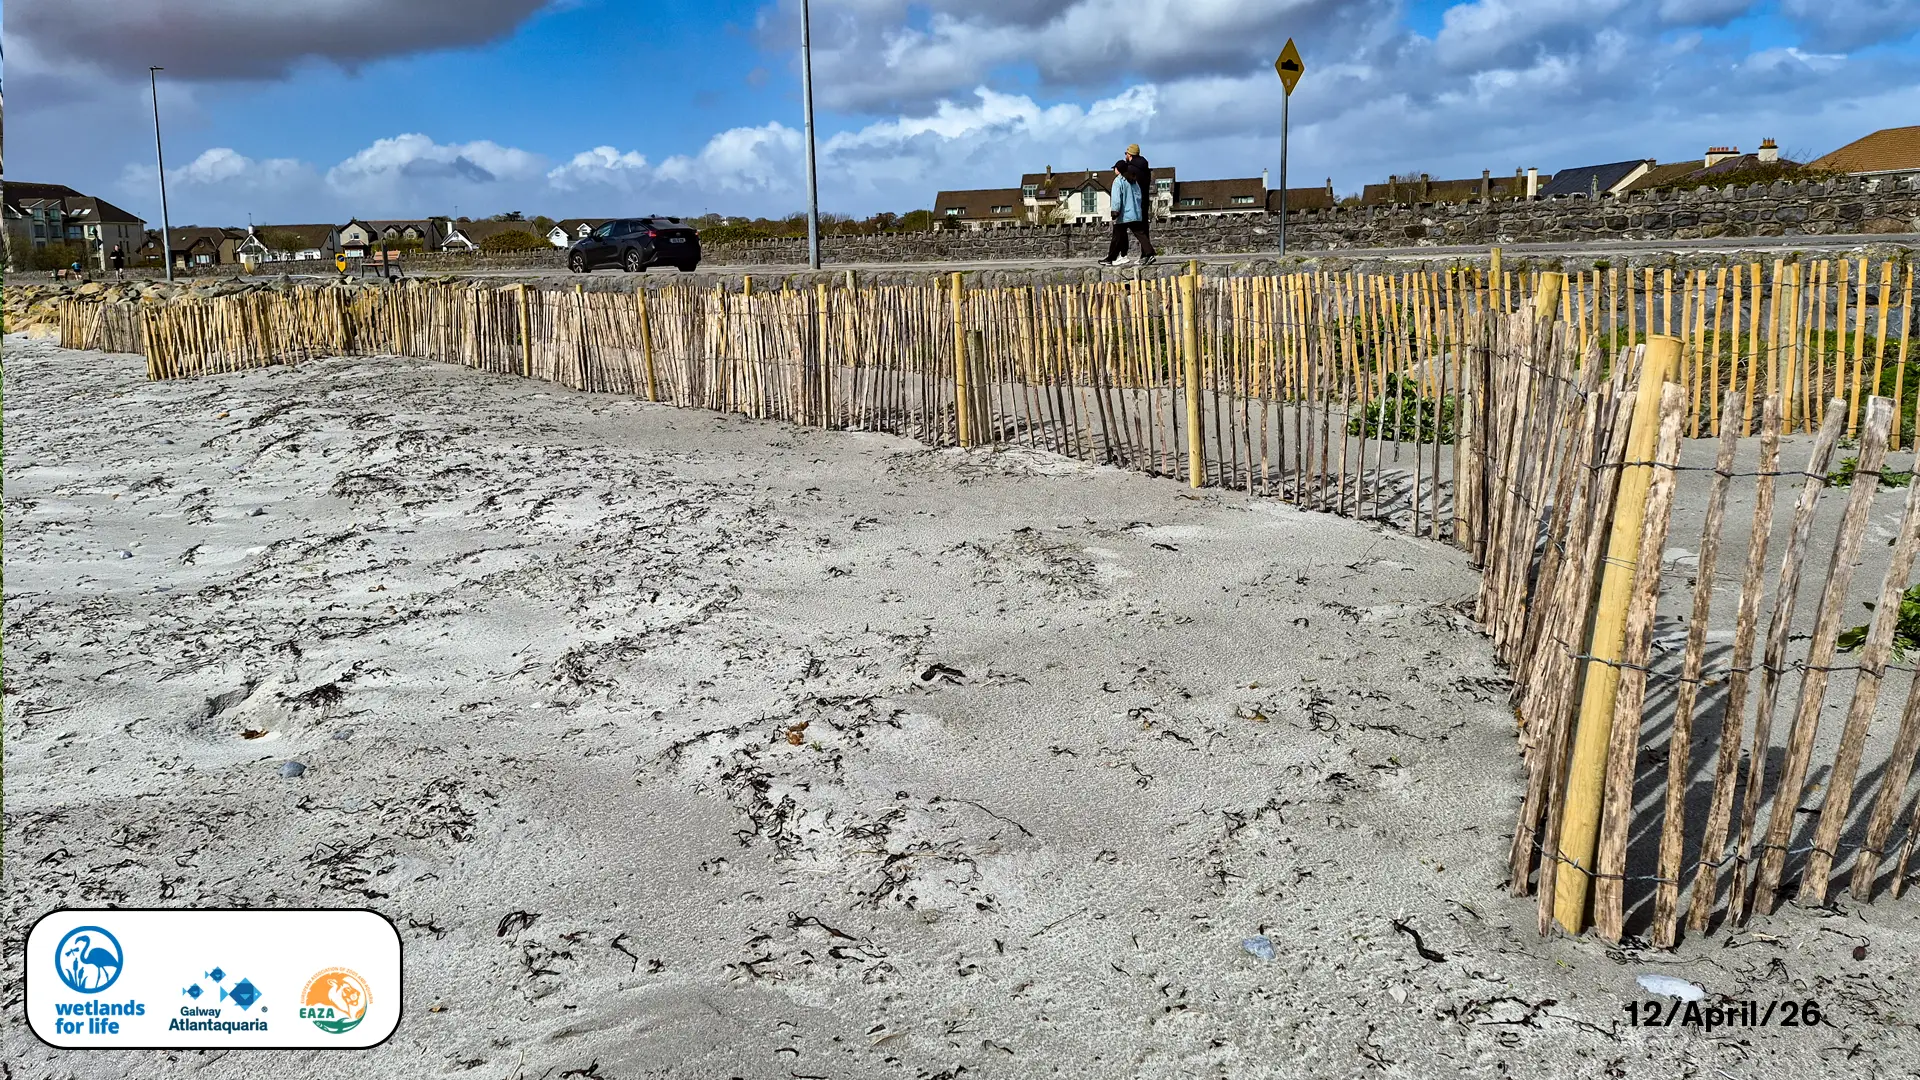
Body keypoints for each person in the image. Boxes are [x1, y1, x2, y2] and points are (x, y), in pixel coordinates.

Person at [1098, 161, 1155, 266]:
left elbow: (1116, 199)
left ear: (1118, 169)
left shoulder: (1118, 181)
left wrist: (1115, 212)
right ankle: (1149, 254)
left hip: (1124, 215)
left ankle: (1112, 258)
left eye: (1115, 168)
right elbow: (1139, 197)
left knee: (1117, 236)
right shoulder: (1133, 181)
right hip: (1135, 213)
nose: (1113, 170)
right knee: (1140, 235)